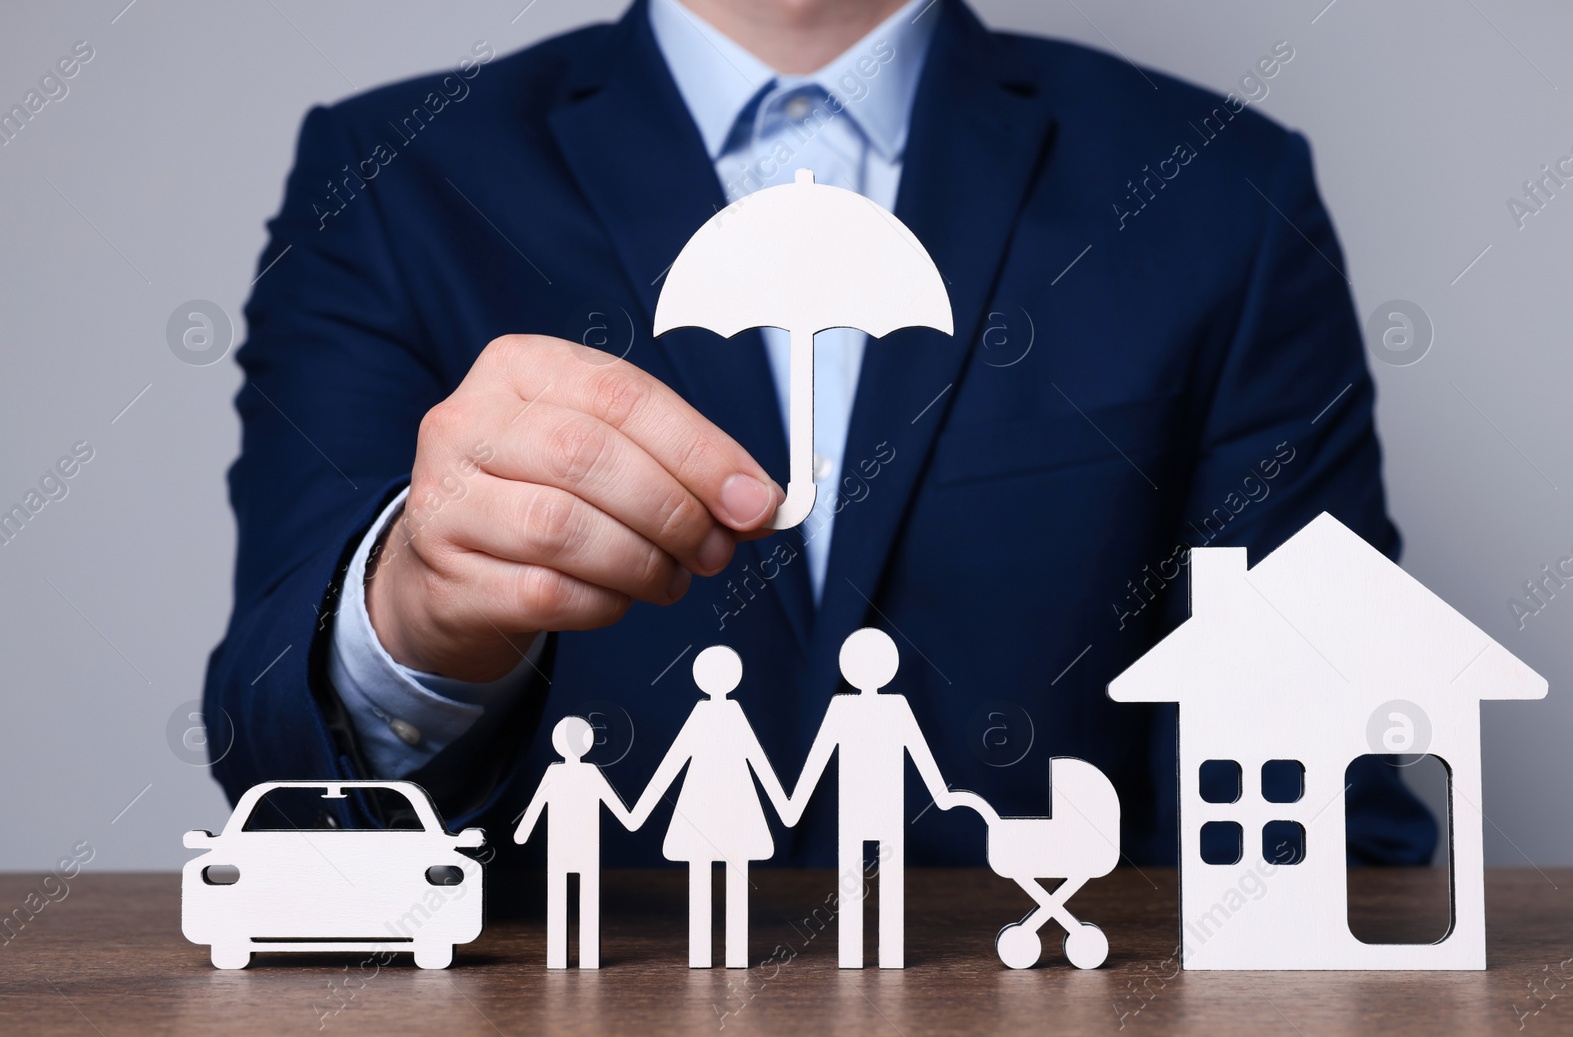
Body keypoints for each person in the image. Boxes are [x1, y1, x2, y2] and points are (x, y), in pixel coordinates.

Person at [203, 0, 1436, 871]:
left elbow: (1327, 782)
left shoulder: (1220, 185)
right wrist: (414, 619)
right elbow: (271, 738)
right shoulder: (391, 175)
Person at [783, 627, 962, 968]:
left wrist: (795, 804)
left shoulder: (874, 707)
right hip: (867, 807)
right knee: (875, 876)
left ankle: (869, 954)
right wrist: (941, 796)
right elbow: (820, 756)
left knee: (863, 878)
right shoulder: (874, 707)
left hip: (874, 806)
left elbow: (917, 753)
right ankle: (868, 953)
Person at [626, 645, 789, 968]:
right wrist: (784, 805)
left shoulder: (722, 715)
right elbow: (679, 760)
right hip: (713, 807)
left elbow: (752, 759)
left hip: (719, 806)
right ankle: (711, 954)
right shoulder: (716, 715)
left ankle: (725, 955)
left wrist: (641, 809)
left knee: (717, 875)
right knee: (715, 876)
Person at [512, 716, 632, 968]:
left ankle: (562, 957)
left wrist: (522, 832)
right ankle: (583, 958)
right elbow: (621, 812)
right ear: (588, 742)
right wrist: (635, 817)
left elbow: (534, 809)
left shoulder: (556, 773)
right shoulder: (587, 773)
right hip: (580, 849)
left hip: (566, 850)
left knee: (562, 901)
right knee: (584, 901)